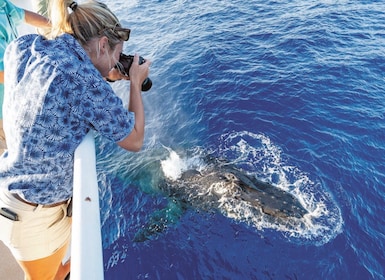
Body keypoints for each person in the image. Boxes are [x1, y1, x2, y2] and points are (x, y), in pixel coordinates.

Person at [0, 0, 150, 279]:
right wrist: (136, 84)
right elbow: (135, 140)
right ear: (103, 44)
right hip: (34, 217)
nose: (117, 63)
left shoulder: (25, 46)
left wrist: (103, 73)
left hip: (15, 194)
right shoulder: (82, 81)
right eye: (117, 53)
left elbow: (60, 84)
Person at [0, 0, 50, 155]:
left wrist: (56, 26)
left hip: (12, 103)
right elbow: (3, 74)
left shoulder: (2, 4)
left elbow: (24, 15)